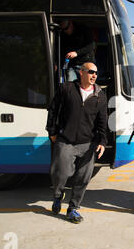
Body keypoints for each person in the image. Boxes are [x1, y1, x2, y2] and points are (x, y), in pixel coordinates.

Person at [46, 62, 107, 224]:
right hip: (65, 141)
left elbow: (102, 120)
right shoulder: (66, 89)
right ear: (81, 72)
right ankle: (58, 195)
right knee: (60, 173)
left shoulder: (100, 95)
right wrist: (51, 131)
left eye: (96, 73)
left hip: (88, 143)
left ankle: (73, 208)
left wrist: (102, 140)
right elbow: (53, 110)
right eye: (91, 72)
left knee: (83, 178)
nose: (94, 75)